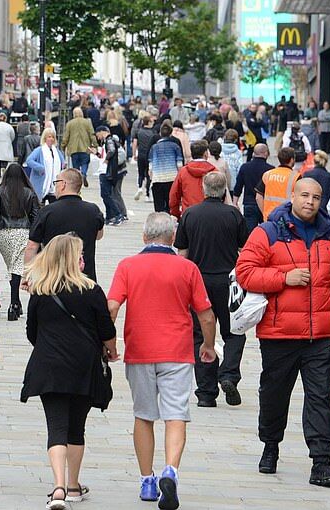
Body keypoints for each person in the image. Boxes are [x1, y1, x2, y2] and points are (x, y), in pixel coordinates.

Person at [236, 178, 330, 488]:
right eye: (304, 195)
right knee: (275, 394)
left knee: (321, 397)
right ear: (293, 196)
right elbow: (245, 273)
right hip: (280, 334)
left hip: (321, 335)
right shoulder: (267, 232)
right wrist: (284, 277)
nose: (310, 201)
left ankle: (322, 462)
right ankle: (270, 445)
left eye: (316, 197)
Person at [107, 212, 216, 507]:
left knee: (143, 415)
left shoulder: (128, 266)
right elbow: (205, 314)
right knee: (176, 414)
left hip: (140, 350)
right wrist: (208, 345)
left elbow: (113, 306)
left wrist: (108, 344)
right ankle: (171, 470)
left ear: (144, 237)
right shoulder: (187, 268)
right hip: (178, 352)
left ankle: (147, 481)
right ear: (172, 238)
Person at [21, 235, 117, 510]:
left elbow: (32, 332)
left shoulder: (41, 291)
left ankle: (59, 488)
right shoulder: (92, 290)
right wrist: (111, 350)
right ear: (75, 259)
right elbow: (106, 331)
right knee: (77, 427)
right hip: (83, 366)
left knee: (56, 427)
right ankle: (74, 485)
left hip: (49, 367)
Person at [174, 172, 248, 408]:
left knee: (199, 335)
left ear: (203, 189)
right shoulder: (233, 214)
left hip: (198, 281)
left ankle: (206, 392)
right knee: (234, 331)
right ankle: (228, 374)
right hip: (227, 281)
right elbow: (244, 249)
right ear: (225, 190)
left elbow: (182, 254)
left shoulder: (190, 214)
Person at [24, 169, 104, 282]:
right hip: (84, 278)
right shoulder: (93, 210)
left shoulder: (47, 211)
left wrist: (27, 275)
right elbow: (99, 235)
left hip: (52, 279)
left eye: (56, 182)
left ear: (63, 184)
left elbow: (32, 246)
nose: (55, 186)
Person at [0, 163, 39, 321]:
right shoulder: (29, 193)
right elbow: (36, 215)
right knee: (17, 268)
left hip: (4, 233)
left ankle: (15, 303)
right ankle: (14, 304)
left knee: (13, 267)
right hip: (23, 232)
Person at [168, 140, 215, 218]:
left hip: (188, 213)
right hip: (209, 215)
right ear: (205, 153)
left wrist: (175, 213)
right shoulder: (214, 172)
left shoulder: (183, 172)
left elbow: (174, 195)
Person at [255, 146, 300, 223]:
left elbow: (258, 197)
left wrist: (264, 213)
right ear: (292, 160)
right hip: (287, 219)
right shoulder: (296, 176)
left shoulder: (268, 174)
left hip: (269, 218)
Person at [96, 126, 128, 226]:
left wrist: (106, 160)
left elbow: (111, 151)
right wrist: (97, 153)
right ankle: (110, 216)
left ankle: (118, 214)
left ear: (101, 132)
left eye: (97, 134)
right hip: (109, 171)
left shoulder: (109, 140)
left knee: (107, 194)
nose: (97, 137)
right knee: (108, 194)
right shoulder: (108, 141)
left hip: (107, 171)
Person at [149, 122, 183, 213]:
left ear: (160, 133)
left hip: (158, 179)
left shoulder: (154, 147)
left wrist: (151, 178)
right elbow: (179, 165)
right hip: (172, 179)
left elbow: (150, 167)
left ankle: (159, 224)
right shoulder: (175, 147)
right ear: (171, 133)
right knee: (170, 205)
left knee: (158, 207)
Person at [24, 129, 65, 203]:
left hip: (53, 185)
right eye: (49, 137)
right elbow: (29, 160)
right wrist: (41, 168)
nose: (51, 139)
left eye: (53, 137)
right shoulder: (39, 150)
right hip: (41, 184)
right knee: (40, 207)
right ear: (45, 138)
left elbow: (63, 163)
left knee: (54, 208)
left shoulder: (57, 151)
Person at [61, 107, 96, 186]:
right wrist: (95, 145)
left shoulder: (70, 123)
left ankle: (78, 179)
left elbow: (66, 136)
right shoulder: (87, 122)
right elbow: (92, 134)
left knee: (75, 165)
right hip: (85, 147)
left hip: (73, 148)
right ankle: (83, 173)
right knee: (85, 162)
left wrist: (63, 146)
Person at [132, 111, 158, 202]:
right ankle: (147, 194)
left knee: (140, 173)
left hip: (141, 154)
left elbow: (135, 143)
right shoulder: (153, 133)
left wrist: (134, 154)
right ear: (149, 122)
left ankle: (139, 187)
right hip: (150, 156)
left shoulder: (138, 131)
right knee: (148, 175)